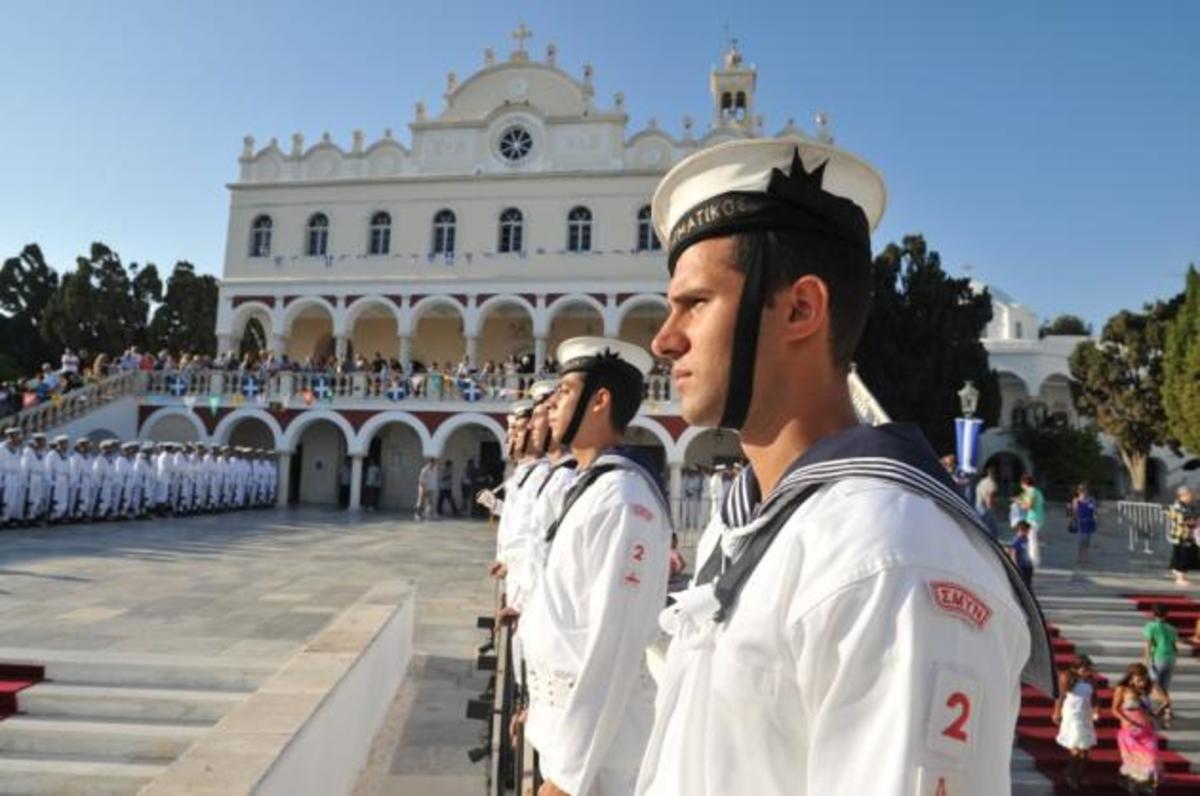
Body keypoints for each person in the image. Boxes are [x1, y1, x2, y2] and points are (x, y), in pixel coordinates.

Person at [638, 139, 1050, 794]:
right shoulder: (750, 521)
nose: (664, 339)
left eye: (696, 303)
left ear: (801, 309)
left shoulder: (893, 558)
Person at [520, 337, 670, 796]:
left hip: (600, 760)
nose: (552, 405)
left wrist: (566, 778)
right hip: (569, 733)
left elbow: (615, 644)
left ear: (599, 401)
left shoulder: (623, 500)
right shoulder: (591, 489)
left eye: (565, 391)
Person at [1112, 663, 1168, 794]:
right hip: (1130, 732)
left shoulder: (1146, 689)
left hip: (1147, 730)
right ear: (1131, 678)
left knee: (1151, 759)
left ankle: (1146, 786)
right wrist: (1127, 720)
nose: (1142, 682)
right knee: (1136, 762)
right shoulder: (1122, 689)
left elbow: (1164, 700)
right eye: (1139, 679)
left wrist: (1161, 704)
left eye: (1144, 679)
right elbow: (1115, 709)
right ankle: (1134, 785)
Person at [1053, 654, 1099, 790]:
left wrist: (1096, 710)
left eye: (1088, 668)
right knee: (1076, 746)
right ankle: (1071, 774)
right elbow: (1060, 696)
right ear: (1075, 668)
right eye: (1083, 668)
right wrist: (1057, 712)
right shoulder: (1066, 677)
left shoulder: (1091, 680)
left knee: (1085, 748)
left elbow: (1095, 698)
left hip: (1086, 714)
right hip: (1072, 714)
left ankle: (1079, 774)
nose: (1086, 671)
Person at [1142, 603, 1178, 724]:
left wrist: (1146, 660)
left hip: (1158, 657)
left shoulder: (1150, 626)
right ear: (1167, 614)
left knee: (1153, 684)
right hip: (1170, 658)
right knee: (1164, 686)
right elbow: (1174, 646)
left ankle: (1166, 702)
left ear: (1153, 613)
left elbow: (1148, 644)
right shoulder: (1171, 628)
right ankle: (1168, 712)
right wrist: (1174, 659)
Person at [1167, 486, 1198, 585]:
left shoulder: (1187, 506)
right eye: (1188, 495)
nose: (1190, 497)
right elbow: (1182, 520)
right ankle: (1180, 577)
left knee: (1184, 555)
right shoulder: (1178, 507)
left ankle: (1181, 574)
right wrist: (1194, 522)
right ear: (1182, 496)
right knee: (1181, 556)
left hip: (1187, 535)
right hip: (1180, 535)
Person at [1014, 474, 1045, 567]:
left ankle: (1033, 562)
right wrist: (1019, 499)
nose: (1021, 487)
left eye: (1022, 484)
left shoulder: (1031, 491)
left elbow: (1029, 505)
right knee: (1032, 539)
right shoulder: (1037, 491)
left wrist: (1020, 504)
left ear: (1024, 483)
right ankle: (1034, 560)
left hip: (1033, 518)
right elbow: (1023, 497)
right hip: (1038, 518)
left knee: (1032, 540)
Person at [1069, 482, 1097, 566]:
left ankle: (1085, 558)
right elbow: (1074, 512)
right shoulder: (1076, 500)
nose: (1082, 492)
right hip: (1080, 522)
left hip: (1089, 522)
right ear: (1078, 491)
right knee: (1081, 541)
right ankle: (1079, 558)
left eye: (1084, 490)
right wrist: (1073, 521)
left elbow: (1093, 510)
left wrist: (1095, 517)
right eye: (1081, 490)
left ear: (1087, 491)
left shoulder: (1091, 500)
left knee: (1087, 541)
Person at [974, 464, 999, 539]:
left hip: (978, 506)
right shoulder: (992, 484)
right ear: (995, 474)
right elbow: (989, 497)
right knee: (991, 529)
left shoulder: (982, 482)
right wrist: (991, 509)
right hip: (986, 507)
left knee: (981, 527)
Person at [1010, 520, 1035, 590]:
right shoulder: (1017, 540)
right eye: (1027, 531)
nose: (1028, 532)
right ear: (1021, 530)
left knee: (1028, 584)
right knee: (1023, 584)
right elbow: (1013, 553)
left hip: (1028, 566)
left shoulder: (1026, 539)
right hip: (1021, 567)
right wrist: (1015, 566)